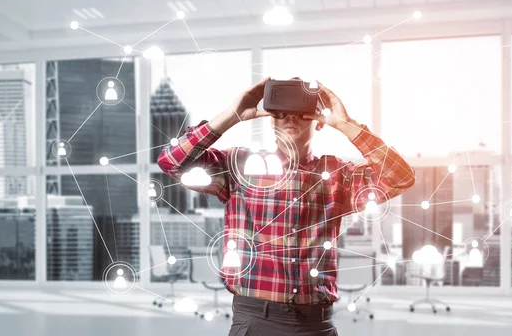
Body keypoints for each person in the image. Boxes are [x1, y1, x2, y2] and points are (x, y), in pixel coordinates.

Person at [157, 77, 415, 336]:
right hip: (256, 320)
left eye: (302, 114)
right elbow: (171, 162)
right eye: (281, 114)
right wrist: (230, 116)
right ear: (272, 121)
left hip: (316, 323)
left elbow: (400, 177)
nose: (290, 120)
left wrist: (348, 126)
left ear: (319, 122)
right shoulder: (240, 166)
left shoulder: (337, 174)